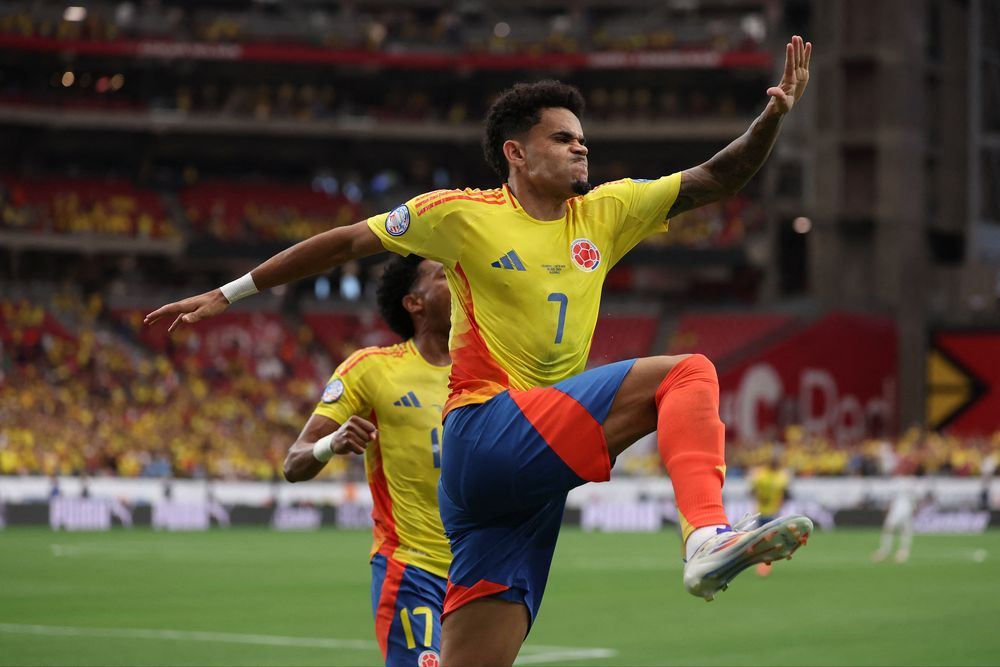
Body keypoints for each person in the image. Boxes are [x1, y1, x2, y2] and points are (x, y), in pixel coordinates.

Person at [146, 36, 814, 667]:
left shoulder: (608, 212)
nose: (582, 150)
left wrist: (773, 117)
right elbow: (349, 241)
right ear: (516, 153)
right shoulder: (461, 213)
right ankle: (705, 537)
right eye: (563, 138)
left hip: (512, 482)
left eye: (584, 138)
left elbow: (715, 179)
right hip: (488, 429)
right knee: (690, 373)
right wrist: (229, 293)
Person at [282, 256, 452, 667]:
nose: (463, 281)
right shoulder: (373, 369)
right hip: (413, 567)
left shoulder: (492, 370)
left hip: (482, 569)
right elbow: (294, 462)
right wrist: (332, 444)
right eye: (445, 276)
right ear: (415, 303)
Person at [749, 455, 791, 576]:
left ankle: (763, 565)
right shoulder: (781, 477)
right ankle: (764, 564)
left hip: (764, 512)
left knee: (762, 540)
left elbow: (752, 491)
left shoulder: (760, 475)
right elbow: (786, 494)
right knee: (768, 541)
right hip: (769, 513)